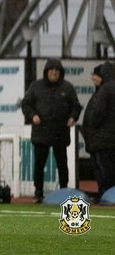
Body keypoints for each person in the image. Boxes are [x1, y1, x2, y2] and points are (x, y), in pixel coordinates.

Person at [20, 57, 82, 203]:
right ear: (46, 71)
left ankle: (64, 190)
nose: (54, 72)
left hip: (60, 133)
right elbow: (26, 104)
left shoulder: (67, 87)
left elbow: (76, 106)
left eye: (57, 70)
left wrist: (73, 117)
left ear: (61, 72)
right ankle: (38, 192)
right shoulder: (36, 86)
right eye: (51, 70)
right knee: (39, 164)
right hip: (41, 133)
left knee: (62, 164)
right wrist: (32, 115)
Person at [82, 62, 115, 202]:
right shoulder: (106, 89)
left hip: (102, 140)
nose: (93, 78)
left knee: (104, 170)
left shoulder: (105, 90)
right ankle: (107, 194)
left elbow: (97, 114)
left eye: (96, 74)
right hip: (105, 139)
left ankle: (106, 195)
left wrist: (92, 126)